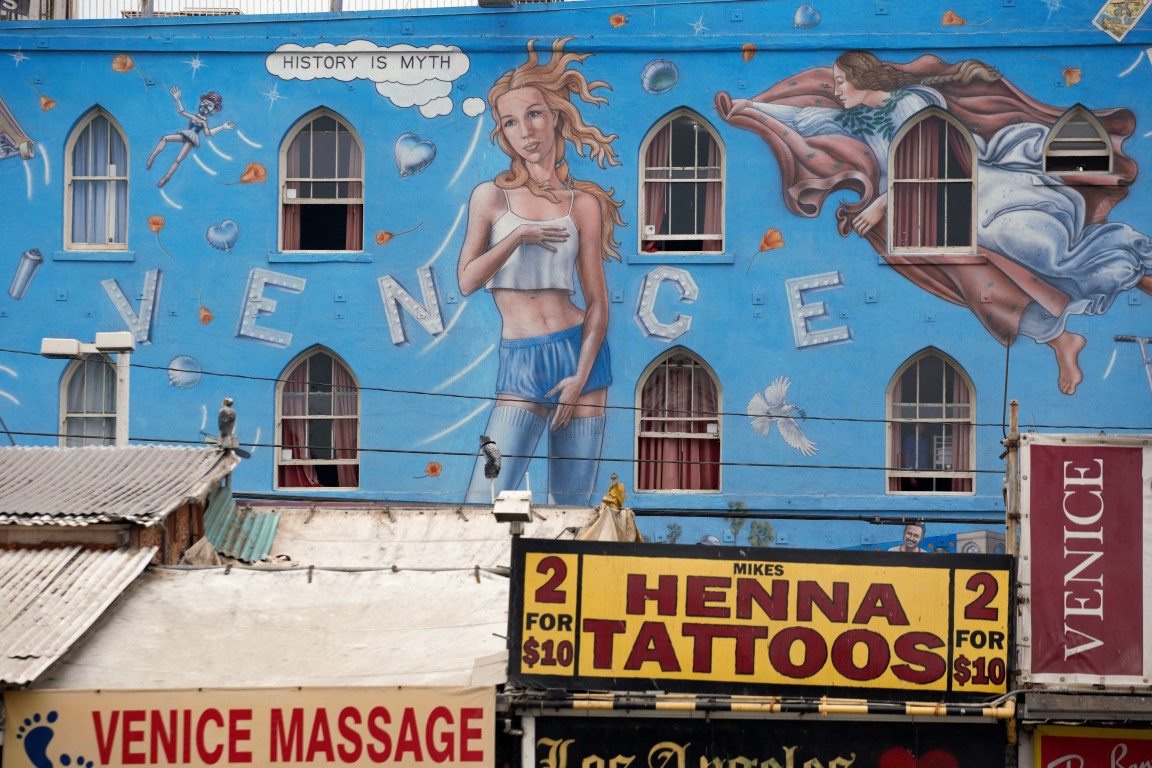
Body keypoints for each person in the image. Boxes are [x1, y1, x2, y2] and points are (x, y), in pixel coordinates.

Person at [716, 51, 1152, 396]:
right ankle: (1062, 340)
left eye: (841, 81)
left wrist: (882, 204)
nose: (836, 89)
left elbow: (932, 155)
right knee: (989, 293)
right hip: (931, 217)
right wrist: (750, 107)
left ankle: (1132, 268)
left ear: (862, 77)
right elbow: (802, 118)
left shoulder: (914, 101)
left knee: (1039, 250)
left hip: (971, 192)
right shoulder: (855, 120)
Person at [459, 38, 624, 506]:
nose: (525, 131)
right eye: (510, 122)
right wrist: (516, 237)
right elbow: (467, 279)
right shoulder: (490, 197)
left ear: (555, 116)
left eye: (533, 114)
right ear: (503, 134)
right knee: (484, 498)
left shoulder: (583, 204)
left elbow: (597, 301)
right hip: (521, 357)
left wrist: (581, 375)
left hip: (580, 355)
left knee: (570, 506)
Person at [147, 86, 237, 188]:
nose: (206, 106)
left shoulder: (204, 122)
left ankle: (167, 177)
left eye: (210, 105)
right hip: (185, 134)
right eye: (205, 102)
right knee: (165, 138)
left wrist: (222, 127)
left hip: (192, 139)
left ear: (213, 111)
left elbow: (208, 133)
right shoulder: (194, 116)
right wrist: (177, 99)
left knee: (179, 159)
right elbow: (181, 112)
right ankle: (152, 157)